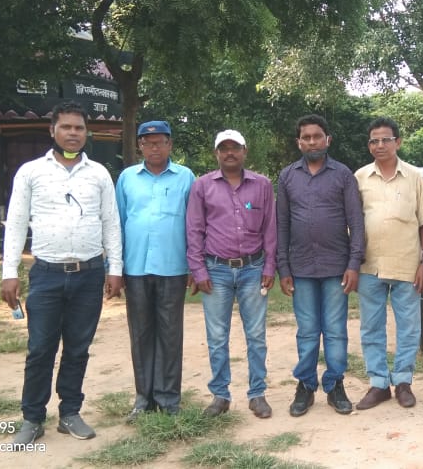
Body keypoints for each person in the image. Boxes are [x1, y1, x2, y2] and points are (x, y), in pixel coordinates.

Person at [1, 101, 123, 446]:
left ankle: (70, 413)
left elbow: (111, 223)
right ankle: (32, 418)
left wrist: (115, 269)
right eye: (66, 127)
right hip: (46, 274)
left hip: (89, 274)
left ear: (86, 133)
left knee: (78, 349)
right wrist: (9, 271)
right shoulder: (30, 172)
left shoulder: (99, 174)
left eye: (79, 128)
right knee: (41, 348)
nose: (73, 133)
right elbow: (16, 223)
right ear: (52, 130)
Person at [277, 114, 365, 416]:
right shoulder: (287, 176)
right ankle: (305, 385)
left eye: (317, 136)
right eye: (306, 137)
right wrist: (283, 268)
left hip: (336, 267)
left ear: (327, 139)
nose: (312, 141)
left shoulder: (343, 175)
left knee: (336, 330)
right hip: (300, 268)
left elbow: (356, 221)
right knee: (307, 330)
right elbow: (282, 224)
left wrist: (354, 263)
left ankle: (335, 383)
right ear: (299, 142)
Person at [187, 129, 277, 418]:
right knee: (216, 337)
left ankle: (257, 394)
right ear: (216, 153)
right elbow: (194, 229)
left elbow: (270, 228)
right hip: (216, 270)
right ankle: (220, 395)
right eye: (223, 148)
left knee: (256, 335)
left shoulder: (262, 185)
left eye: (235, 147)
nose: (229, 153)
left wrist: (270, 266)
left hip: (253, 268)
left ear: (244, 151)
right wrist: (198, 270)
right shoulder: (202, 186)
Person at [115, 120, 195, 423]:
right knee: (140, 334)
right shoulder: (127, 178)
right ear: (140, 146)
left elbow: (194, 224)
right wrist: (115, 267)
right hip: (135, 267)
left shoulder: (186, 177)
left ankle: (169, 399)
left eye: (160, 142)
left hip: (173, 268)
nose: (154, 147)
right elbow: (118, 222)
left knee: (170, 334)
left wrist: (194, 265)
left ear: (170, 145)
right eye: (148, 142)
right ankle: (144, 399)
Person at [353, 117, 423, 410]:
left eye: (386, 139)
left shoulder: (414, 177)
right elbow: (352, 222)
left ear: (398, 142)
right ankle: (378, 384)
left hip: (407, 264)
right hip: (369, 265)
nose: (380, 145)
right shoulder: (359, 177)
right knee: (371, 327)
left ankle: (403, 382)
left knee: (408, 327)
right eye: (374, 141)